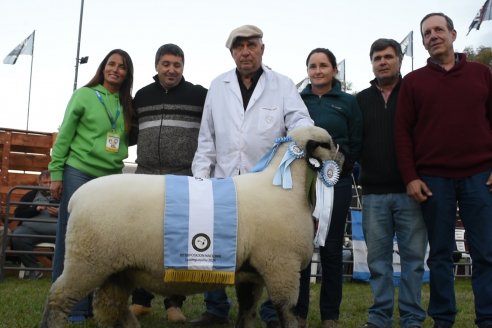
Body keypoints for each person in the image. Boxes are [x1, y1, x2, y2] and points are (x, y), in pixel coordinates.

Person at [190, 24, 313, 326]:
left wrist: (303, 133)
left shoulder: (282, 85)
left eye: (251, 45)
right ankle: (216, 309)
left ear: (262, 48)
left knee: (267, 251)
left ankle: (270, 313)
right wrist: (199, 179)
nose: (245, 52)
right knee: (218, 244)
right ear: (232, 52)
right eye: (239, 47)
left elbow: (299, 118)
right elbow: (207, 136)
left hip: (266, 188)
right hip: (224, 184)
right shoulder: (218, 86)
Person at [395, 13, 492, 328]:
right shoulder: (412, 82)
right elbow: (402, 134)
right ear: (423, 42)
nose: (433, 35)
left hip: (480, 176)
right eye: (427, 33)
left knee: (486, 252)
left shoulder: (482, 74)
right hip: (434, 179)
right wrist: (411, 176)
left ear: (453, 33)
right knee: (439, 255)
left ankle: (488, 317)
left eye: (439, 30)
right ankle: (443, 319)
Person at [48, 49, 134, 323]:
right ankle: (70, 306)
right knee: (72, 239)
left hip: (111, 179)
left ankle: (103, 306)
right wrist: (56, 173)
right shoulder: (84, 95)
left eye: (122, 67)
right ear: (103, 67)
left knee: (106, 242)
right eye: (111, 64)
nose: (116, 70)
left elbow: (125, 139)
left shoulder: (126, 103)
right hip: (79, 173)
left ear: (126, 74)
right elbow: (64, 136)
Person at [128, 43, 207, 323]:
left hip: (182, 178)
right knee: (141, 239)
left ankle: (174, 303)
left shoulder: (199, 95)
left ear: (183, 67)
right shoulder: (142, 96)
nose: (171, 69)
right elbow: (130, 134)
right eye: (166, 64)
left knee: (177, 240)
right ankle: (140, 300)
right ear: (156, 66)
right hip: (145, 177)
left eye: (177, 64)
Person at [356, 39, 427, 328]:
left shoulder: (415, 94)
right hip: (373, 193)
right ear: (371, 63)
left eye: (388, 56)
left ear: (399, 59)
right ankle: (379, 318)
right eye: (377, 58)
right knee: (378, 263)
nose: (383, 62)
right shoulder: (360, 99)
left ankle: (411, 318)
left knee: (413, 261)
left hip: (411, 191)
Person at [297, 48, 362, 328]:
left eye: (324, 65)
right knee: (300, 247)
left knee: (332, 248)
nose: (318, 70)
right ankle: (297, 313)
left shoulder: (348, 101)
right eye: (313, 66)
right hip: (302, 182)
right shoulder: (299, 100)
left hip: (338, 180)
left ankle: (330, 316)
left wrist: (340, 164)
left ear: (334, 70)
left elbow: (357, 141)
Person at [11, 170, 58, 280]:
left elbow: (73, 214)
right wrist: (35, 209)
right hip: (31, 230)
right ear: (39, 183)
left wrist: (59, 212)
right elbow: (18, 214)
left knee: (70, 237)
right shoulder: (31, 195)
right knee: (18, 236)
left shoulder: (62, 195)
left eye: (50, 182)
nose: (48, 185)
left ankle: (60, 273)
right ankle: (34, 270)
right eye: (45, 182)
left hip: (57, 231)